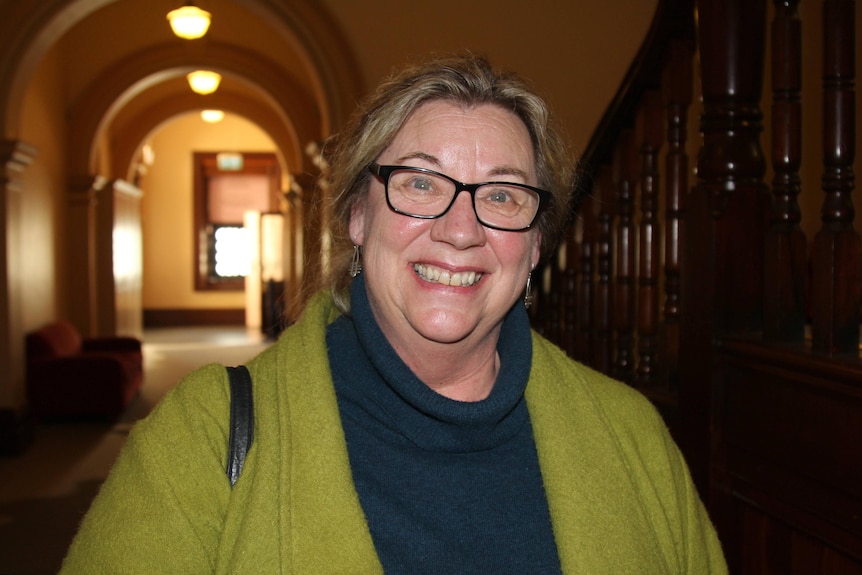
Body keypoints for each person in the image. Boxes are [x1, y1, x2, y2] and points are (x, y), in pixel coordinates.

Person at [60, 54, 727, 574]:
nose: (460, 229)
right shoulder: (203, 439)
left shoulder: (632, 436)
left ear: (535, 245)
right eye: (419, 183)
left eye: (501, 195)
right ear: (357, 213)